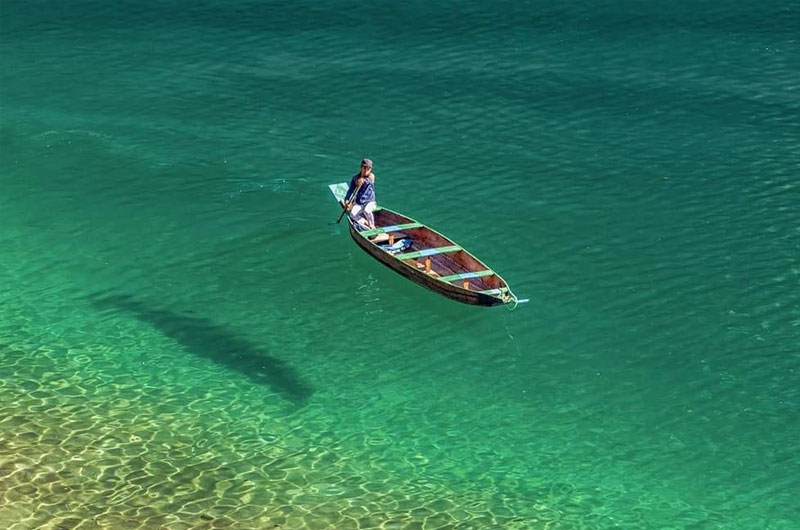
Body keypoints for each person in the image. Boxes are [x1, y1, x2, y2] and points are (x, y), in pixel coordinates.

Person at [343, 158, 377, 229]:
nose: (366, 170)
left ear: (370, 169)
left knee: (367, 210)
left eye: (368, 168)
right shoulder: (355, 178)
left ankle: (372, 226)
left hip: (370, 202)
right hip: (359, 203)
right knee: (352, 215)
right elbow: (350, 191)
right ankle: (364, 222)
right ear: (361, 167)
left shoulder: (371, 176)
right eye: (364, 167)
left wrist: (362, 181)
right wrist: (346, 200)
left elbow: (369, 181)